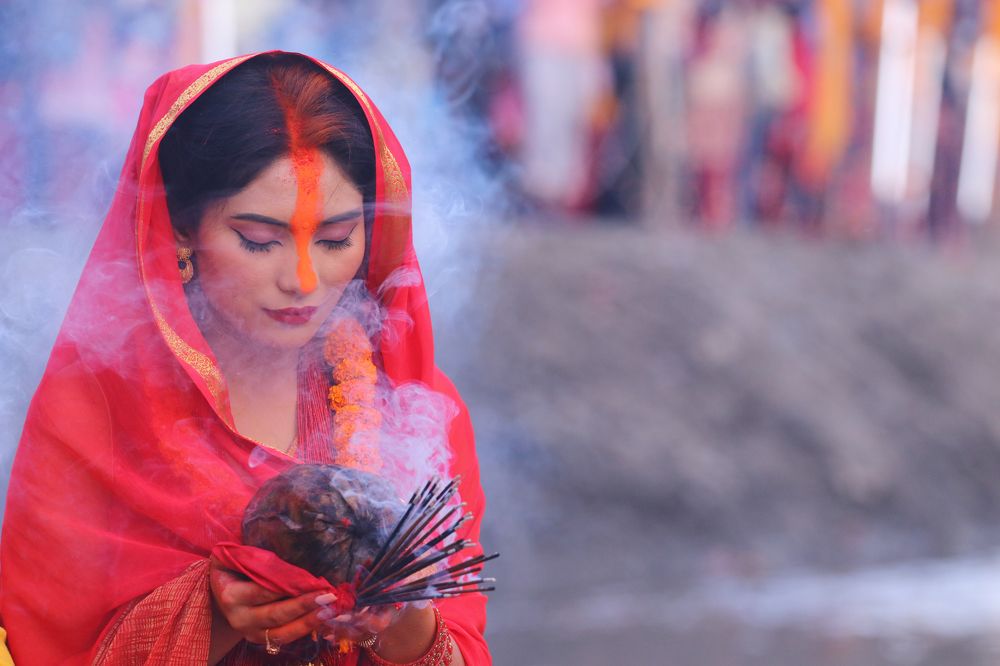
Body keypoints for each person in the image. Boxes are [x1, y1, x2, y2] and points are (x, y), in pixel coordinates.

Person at [0, 51, 490, 665]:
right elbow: (48, 644)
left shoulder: (415, 407)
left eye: (337, 239)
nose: (304, 279)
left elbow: (463, 641)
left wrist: (405, 620)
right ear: (180, 228)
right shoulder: (95, 405)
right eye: (259, 240)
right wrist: (210, 611)